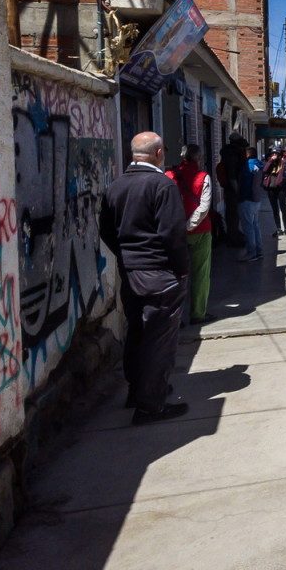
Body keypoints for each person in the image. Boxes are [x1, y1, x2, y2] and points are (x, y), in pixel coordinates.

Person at [100, 133, 190, 424]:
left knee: (137, 333)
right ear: (160, 152)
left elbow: (105, 230)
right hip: (160, 275)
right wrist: (182, 269)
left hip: (132, 272)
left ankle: (138, 391)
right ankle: (151, 405)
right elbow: (172, 235)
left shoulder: (116, 186)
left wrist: (126, 257)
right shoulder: (162, 185)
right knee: (159, 340)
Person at [167, 144, 213, 325]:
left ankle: (175, 316)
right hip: (200, 231)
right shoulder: (204, 177)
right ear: (199, 158)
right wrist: (190, 225)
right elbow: (204, 206)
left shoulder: (168, 176)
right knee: (201, 273)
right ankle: (198, 313)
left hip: (174, 232)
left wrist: (180, 226)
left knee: (174, 274)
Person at [218, 135, 247, 247]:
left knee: (233, 213)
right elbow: (232, 174)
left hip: (232, 186)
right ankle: (233, 237)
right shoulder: (231, 154)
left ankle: (234, 233)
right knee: (233, 213)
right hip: (232, 188)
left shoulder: (232, 152)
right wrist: (237, 190)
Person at [237, 146, 264, 261]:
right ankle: (259, 251)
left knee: (248, 228)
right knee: (256, 226)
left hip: (247, 199)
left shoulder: (247, 166)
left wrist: (241, 197)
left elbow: (245, 184)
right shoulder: (258, 164)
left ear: (247, 154)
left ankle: (251, 253)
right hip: (257, 199)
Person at [262, 147, 286, 234]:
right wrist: (270, 161)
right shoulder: (270, 162)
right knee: (275, 209)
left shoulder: (284, 162)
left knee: (283, 208)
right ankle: (278, 228)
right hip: (271, 187)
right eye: (272, 154)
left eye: (275, 154)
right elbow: (264, 170)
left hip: (281, 187)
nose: (274, 155)